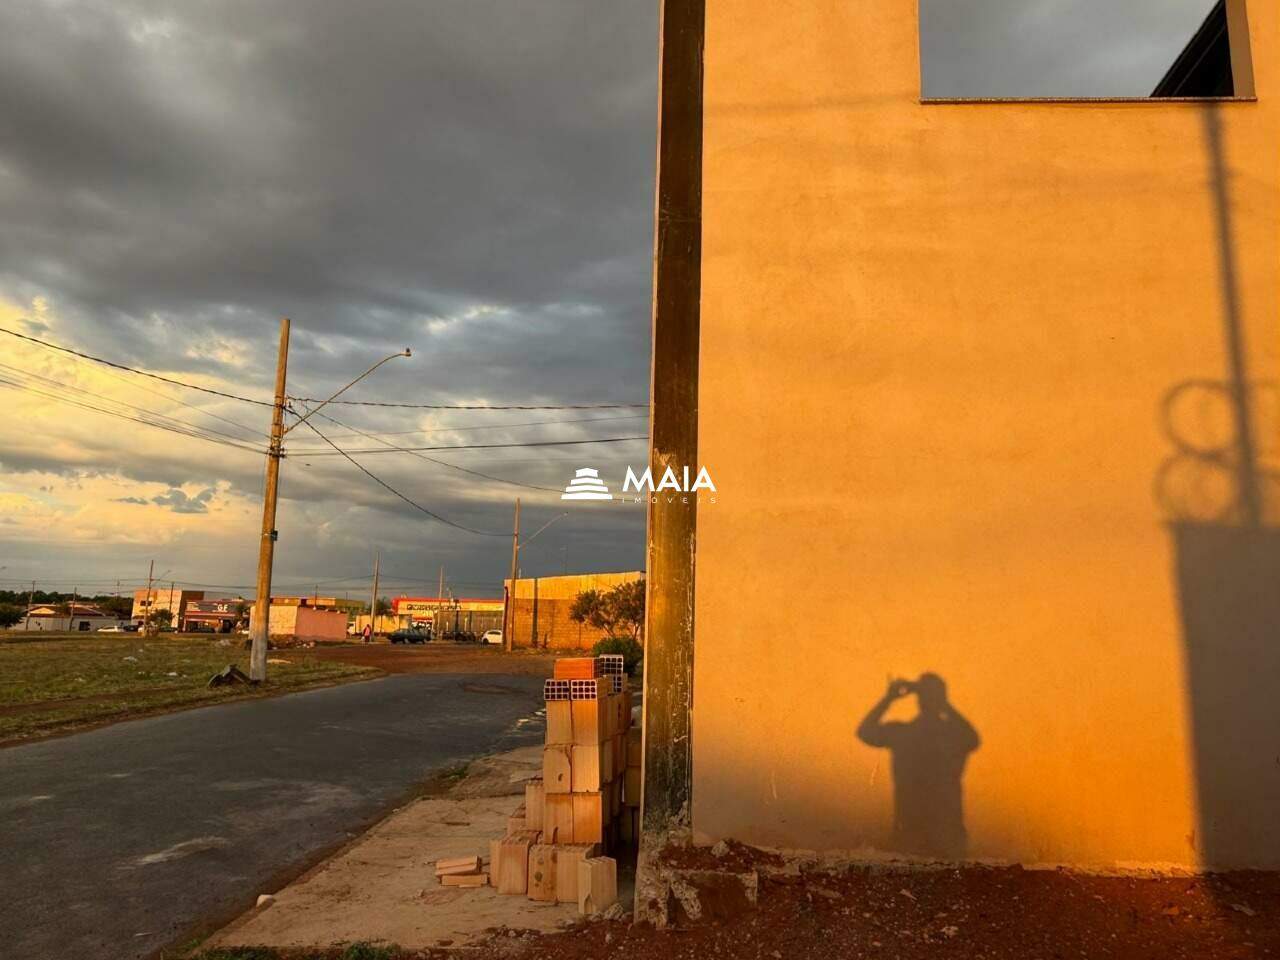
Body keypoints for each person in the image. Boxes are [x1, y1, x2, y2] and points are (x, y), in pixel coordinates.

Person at [856, 673, 980, 859]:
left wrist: (889, 698)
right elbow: (972, 739)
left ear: (918, 700)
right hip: (945, 834)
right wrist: (944, 704)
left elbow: (866, 731)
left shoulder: (903, 734)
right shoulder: (951, 736)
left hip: (913, 832)